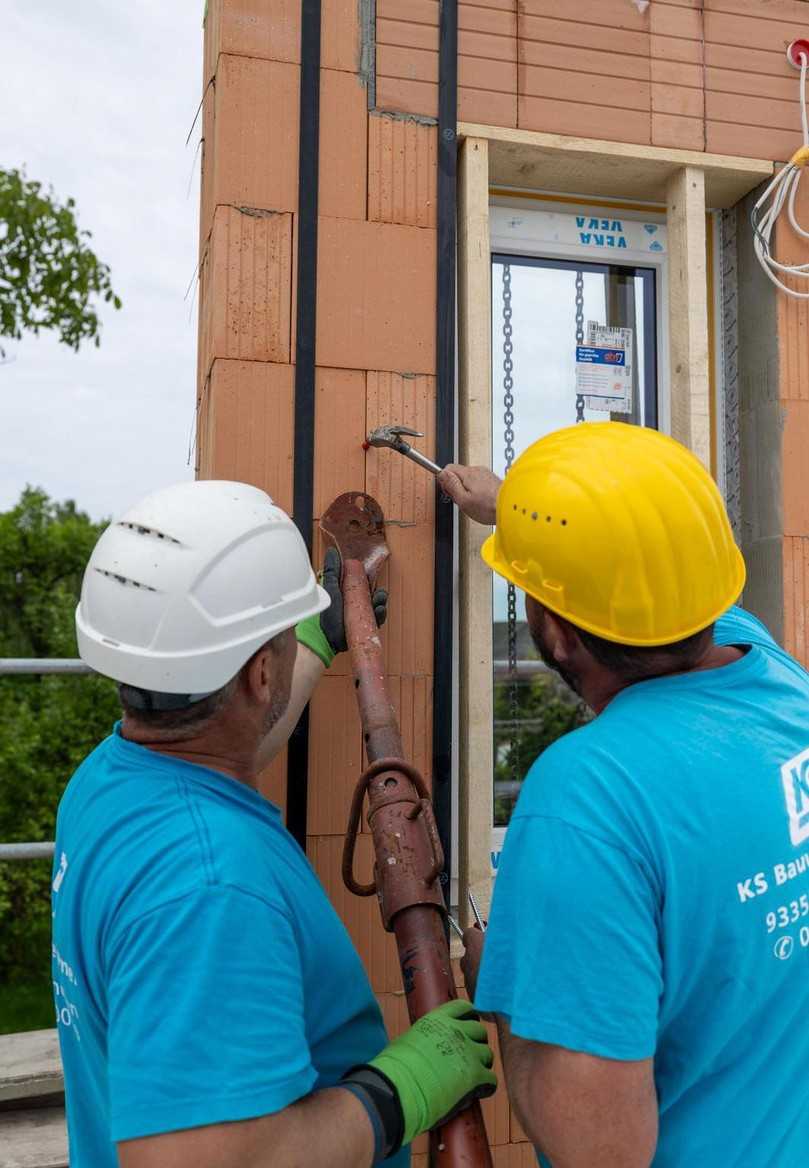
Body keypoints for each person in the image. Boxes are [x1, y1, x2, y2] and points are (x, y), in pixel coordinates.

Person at [52, 480, 495, 1168]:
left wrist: (315, 642)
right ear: (261, 673)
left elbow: (226, 744)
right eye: (289, 636)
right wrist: (397, 1090)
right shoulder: (210, 887)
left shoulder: (108, 781)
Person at [439, 422, 809, 1168]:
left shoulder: (587, 798)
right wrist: (510, 505)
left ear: (556, 634)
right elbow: (648, 563)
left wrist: (510, 995)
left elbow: (600, 1151)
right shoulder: (774, 675)